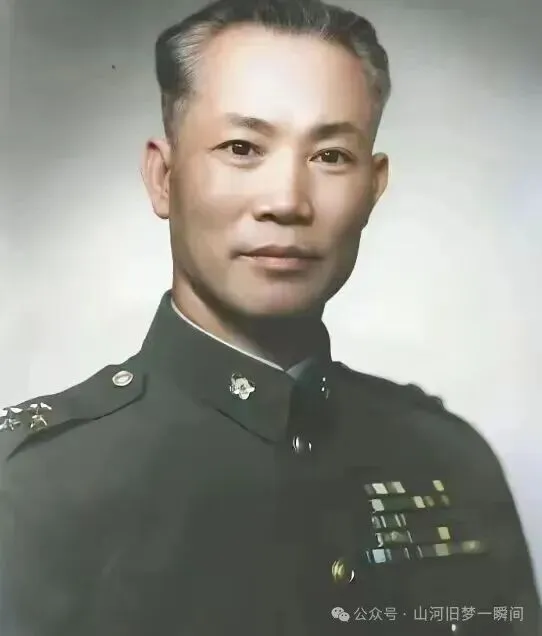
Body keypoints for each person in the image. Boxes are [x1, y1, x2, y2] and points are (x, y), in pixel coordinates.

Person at [1, 0, 539, 633]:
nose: (286, 202)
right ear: (163, 177)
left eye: (330, 156)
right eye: (242, 147)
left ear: (373, 187)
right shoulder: (31, 483)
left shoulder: (450, 458)